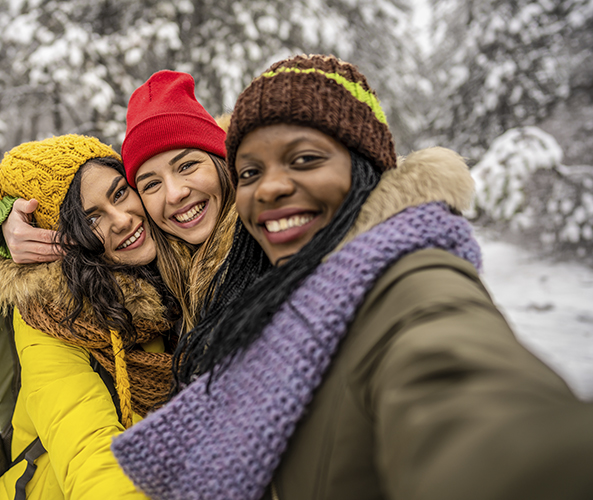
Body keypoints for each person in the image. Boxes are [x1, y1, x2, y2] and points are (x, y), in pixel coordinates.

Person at [110, 54, 593, 500]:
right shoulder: (183, 266)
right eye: (253, 171)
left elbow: (462, 393)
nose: (173, 194)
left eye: (305, 160)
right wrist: (42, 236)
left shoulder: (404, 280)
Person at [0, 134, 179, 499]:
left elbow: (206, 151)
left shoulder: (164, 258)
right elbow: (90, 454)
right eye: (92, 218)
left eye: (119, 193)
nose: (122, 219)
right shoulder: (49, 318)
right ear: (61, 239)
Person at [0, 71, 238, 332]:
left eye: (187, 166)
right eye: (151, 184)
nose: (174, 194)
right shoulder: (159, 266)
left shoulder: (272, 233)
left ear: (225, 161)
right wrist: (5, 226)